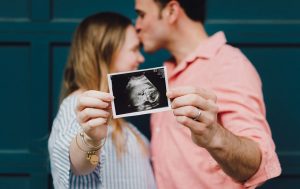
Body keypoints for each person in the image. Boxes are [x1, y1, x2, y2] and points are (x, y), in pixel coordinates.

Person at [134, 0, 281, 188]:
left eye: (142, 15)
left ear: (171, 11)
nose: (137, 26)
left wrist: (213, 136)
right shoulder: (164, 73)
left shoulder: (228, 64)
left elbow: (256, 165)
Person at [48, 12, 156, 189]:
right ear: (107, 51)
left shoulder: (116, 117)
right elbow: (80, 165)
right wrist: (91, 141)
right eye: (134, 49)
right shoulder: (78, 107)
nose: (141, 58)